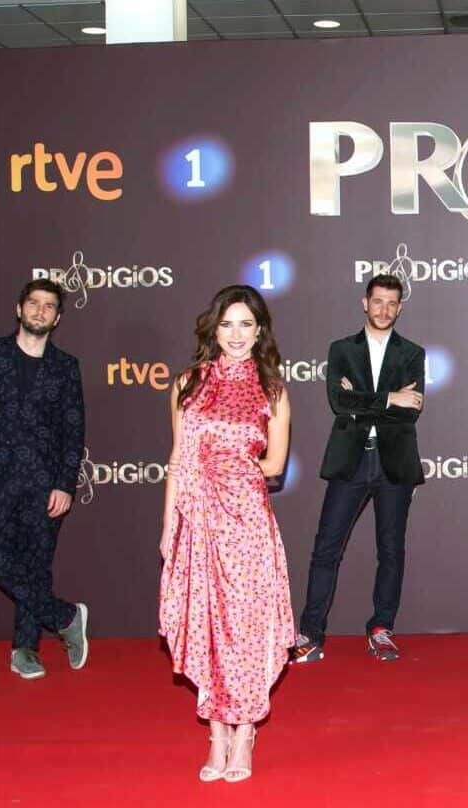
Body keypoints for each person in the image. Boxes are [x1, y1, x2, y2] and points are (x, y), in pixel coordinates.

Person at [158, 285, 295, 783]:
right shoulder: (187, 384)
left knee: (246, 628)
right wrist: (169, 524)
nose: (236, 335)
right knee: (207, 627)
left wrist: (231, 467)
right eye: (227, 325)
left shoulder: (273, 389)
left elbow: (276, 464)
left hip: (247, 523)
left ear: (260, 332)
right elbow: (177, 459)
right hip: (197, 522)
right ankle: (216, 733)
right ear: (213, 328)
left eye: (246, 325)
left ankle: (244, 734)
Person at [290, 275, 425, 664]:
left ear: (400, 308)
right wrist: (389, 398)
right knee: (326, 548)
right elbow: (338, 401)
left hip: (393, 464)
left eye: (392, 303)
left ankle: (382, 629)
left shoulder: (413, 353)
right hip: (350, 461)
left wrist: (363, 401)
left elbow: (412, 406)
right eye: (377, 301)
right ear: (364, 303)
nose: (384, 310)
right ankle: (311, 633)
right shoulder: (341, 349)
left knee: (391, 550)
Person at [0, 278, 88, 680]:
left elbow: (74, 431)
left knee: (35, 568)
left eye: (49, 306)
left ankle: (25, 649)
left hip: (45, 483)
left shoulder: (66, 367)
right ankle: (66, 616)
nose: (40, 311)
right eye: (34, 303)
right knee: (0, 562)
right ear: (19, 309)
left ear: (58, 317)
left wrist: (65, 483)